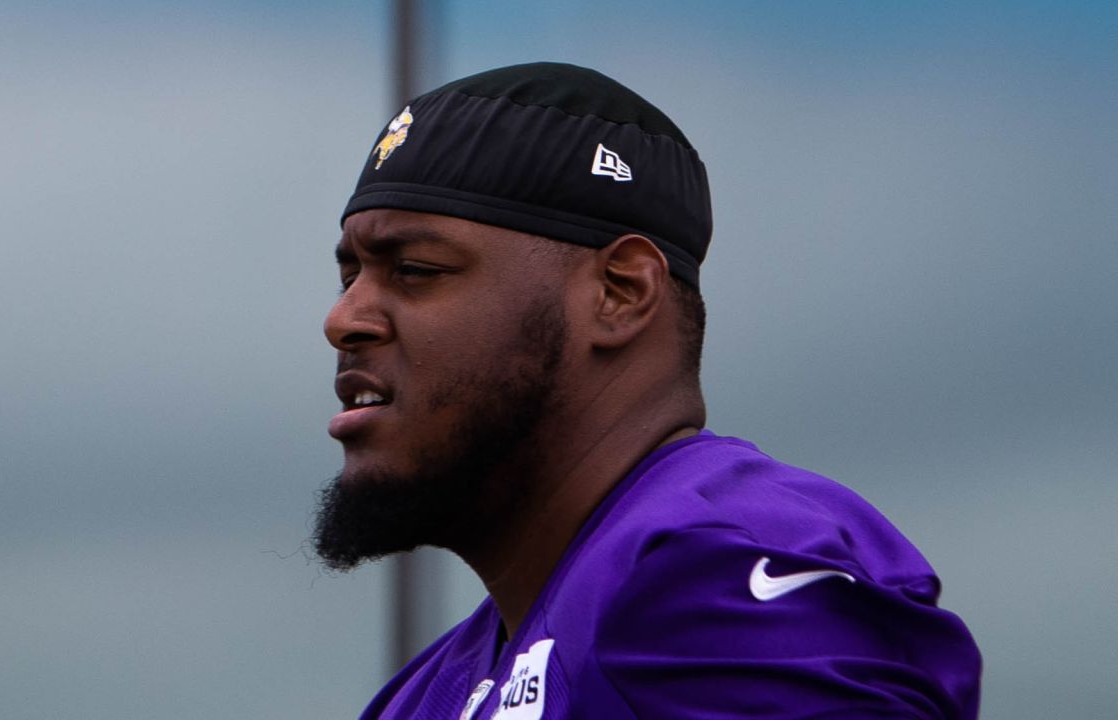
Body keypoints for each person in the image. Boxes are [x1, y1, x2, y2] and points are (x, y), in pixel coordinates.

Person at [313, 62, 981, 719]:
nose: (344, 320)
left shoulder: (712, 577)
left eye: (414, 269)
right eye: (351, 276)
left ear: (619, 293)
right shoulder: (426, 692)